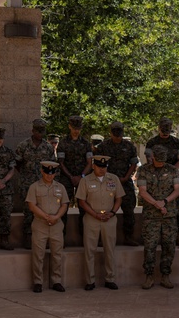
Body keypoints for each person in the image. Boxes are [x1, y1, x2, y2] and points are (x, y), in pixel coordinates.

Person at [137, 145, 179, 289]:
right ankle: (149, 276)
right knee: (149, 246)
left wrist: (164, 201)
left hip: (169, 215)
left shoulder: (173, 170)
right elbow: (143, 191)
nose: (161, 163)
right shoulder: (143, 170)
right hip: (151, 216)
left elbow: (178, 190)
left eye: (163, 160)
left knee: (169, 246)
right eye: (158, 160)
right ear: (153, 158)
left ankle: (165, 276)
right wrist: (157, 204)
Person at [75, 155, 124, 290]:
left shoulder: (113, 179)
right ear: (93, 166)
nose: (102, 169)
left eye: (104, 167)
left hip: (109, 219)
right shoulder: (85, 181)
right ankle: (90, 280)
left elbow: (119, 198)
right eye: (99, 166)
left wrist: (113, 212)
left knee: (110, 250)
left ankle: (110, 279)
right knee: (89, 250)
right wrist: (94, 214)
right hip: (92, 219)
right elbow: (81, 201)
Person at [25, 161, 68, 292]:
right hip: (40, 224)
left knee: (57, 254)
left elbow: (64, 204)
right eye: (47, 173)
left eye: (52, 173)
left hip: (56, 225)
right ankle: (38, 282)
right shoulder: (34, 187)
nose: (50, 176)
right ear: (42, 172)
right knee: (38, 255)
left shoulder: (60, 187)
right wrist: (46, 217)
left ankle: (56, 281)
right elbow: (32, 205)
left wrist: (56, 217)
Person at [95, 121, 139, 247]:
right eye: (115, 132)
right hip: (107, 181)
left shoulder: (130, 146)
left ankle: (128, 237)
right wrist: (109, 178)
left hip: (124, 181)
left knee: (129, 209)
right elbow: (99, 164)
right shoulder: (103, 146)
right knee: (103, 208)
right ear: (111, 132)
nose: (117, 135)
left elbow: (134, 163)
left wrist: (126, 177)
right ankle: (100, 239)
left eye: (119, 132)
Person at [14, 118, 55, 249]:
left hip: (44, 185)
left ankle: (43, 240)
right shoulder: (23, 145)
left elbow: (52, 165)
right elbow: (18, 164)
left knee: (44, 211)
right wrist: (27, 175)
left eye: (42, 131)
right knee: (28, 212)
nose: (40, 133)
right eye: (38, 131)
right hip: (27, 184)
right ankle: (28, 239)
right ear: (32, 131)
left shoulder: (48, 147)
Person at [57, 115, 92, 216]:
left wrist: (82, 176)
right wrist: (71, 177)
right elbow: (61, 162)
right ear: (69, 126)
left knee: (84, 208)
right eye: (74, 128)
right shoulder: (63, 143)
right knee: (63, 205)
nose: (76, 131)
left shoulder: (86, 143)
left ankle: (83, 231)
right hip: (67, 177)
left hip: (82, 178)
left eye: (78, 128)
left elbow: (89, 162)